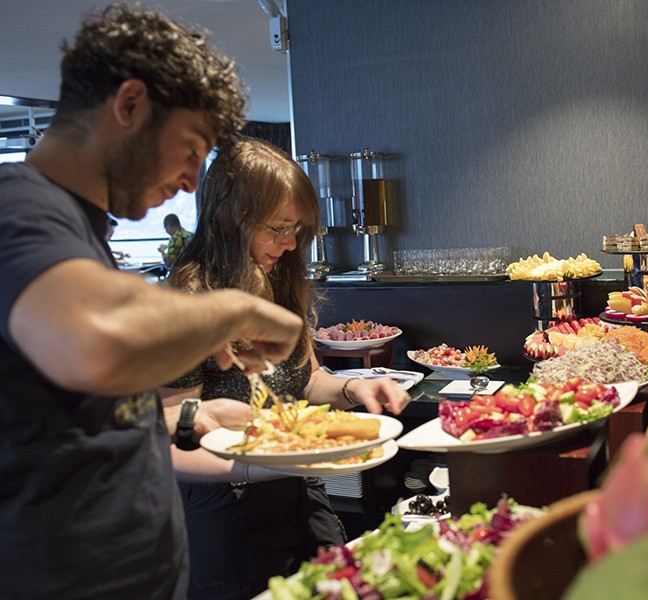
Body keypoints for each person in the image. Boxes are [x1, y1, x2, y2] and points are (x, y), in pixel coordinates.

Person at [0, 5, 305, 599]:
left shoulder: (78, 230)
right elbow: (96, 348)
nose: (192, 181)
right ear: (131, 104)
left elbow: (73, 419)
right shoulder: (20, 211)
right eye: (191, 149)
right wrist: (237, 311)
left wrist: (190, 418)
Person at [160, 137, 411, 600]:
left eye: (296, 229)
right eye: (277, 229)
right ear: (227, 218)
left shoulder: (275, 278)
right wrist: (258, 466)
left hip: (298, 495)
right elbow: (171, 444)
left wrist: (355, 388)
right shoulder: (187, 303)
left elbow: (307, 380)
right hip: (224, 515)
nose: (291, 243)